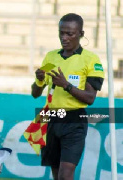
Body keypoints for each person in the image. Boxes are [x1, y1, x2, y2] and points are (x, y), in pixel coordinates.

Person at [31, 13, 104, 180]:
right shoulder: (51, 57)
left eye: (69, 34)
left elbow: (90, 98)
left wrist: (66, 85)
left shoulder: (90, 60)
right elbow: (35, 94)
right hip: (51, 118)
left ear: (81, 34)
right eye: (61, 32)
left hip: (74, 120)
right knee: (56, 175)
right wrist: (39, 80)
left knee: (65, 175)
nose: (64, 37)